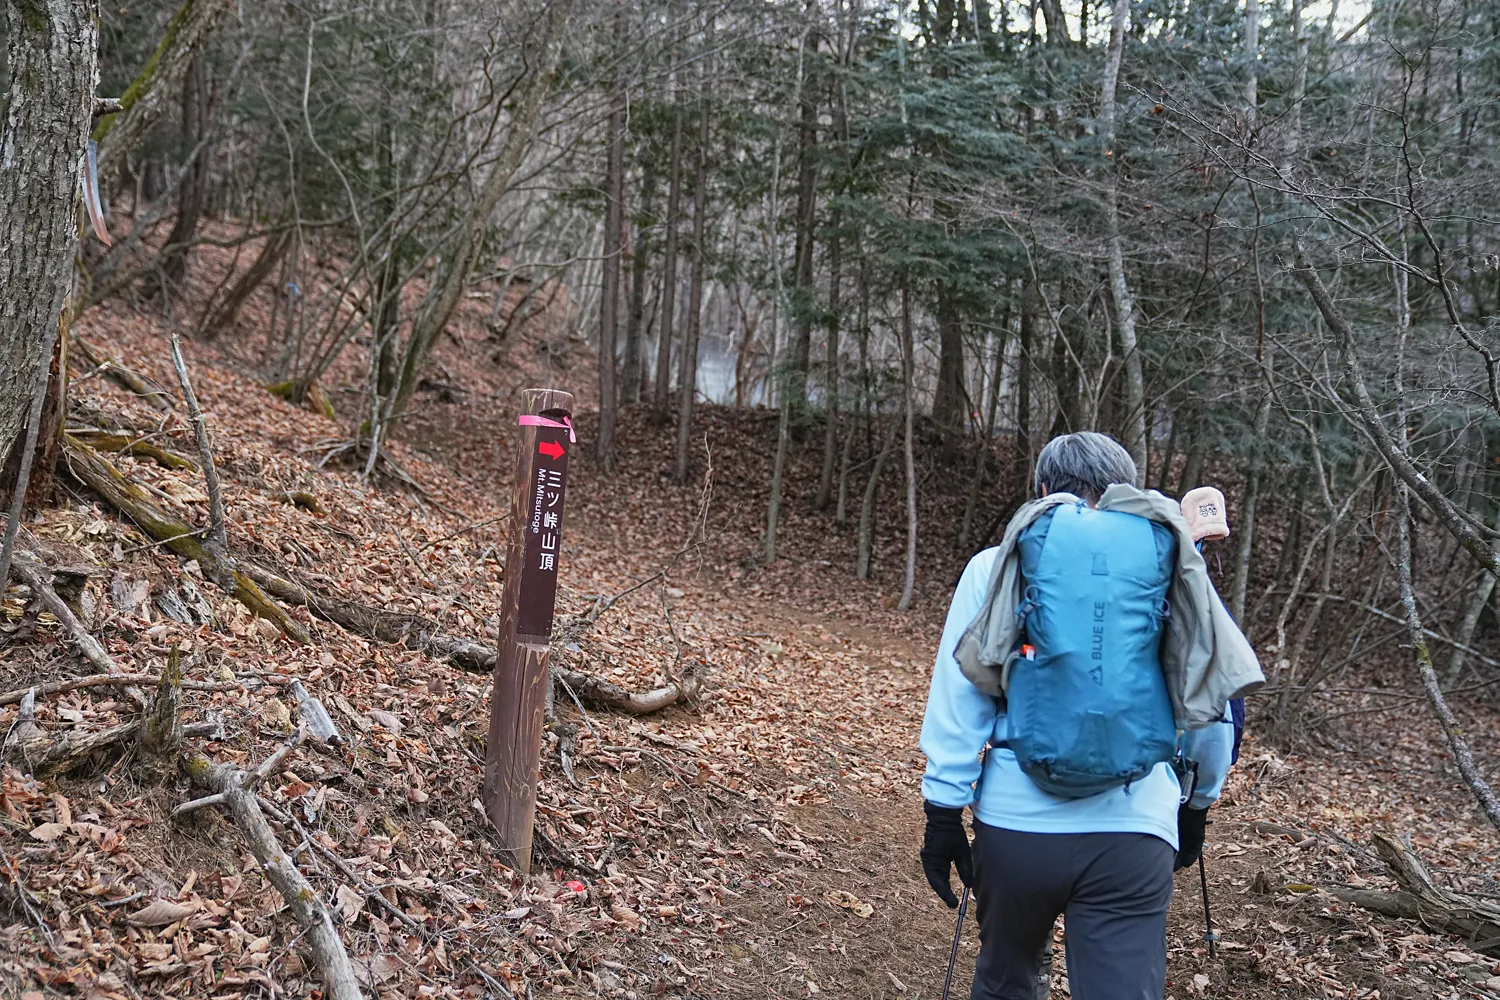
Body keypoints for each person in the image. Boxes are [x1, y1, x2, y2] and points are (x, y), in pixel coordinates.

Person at [918, 432, 1262, 1000]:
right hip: (1133, 831)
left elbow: (961, 696)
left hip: (1016, 826)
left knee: (1007, 980)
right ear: (1123, 490)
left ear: (1045, 490)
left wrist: (943, 811)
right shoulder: (1169, 556)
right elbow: (1210, 704)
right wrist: (1196, 808)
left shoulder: (998, 562)